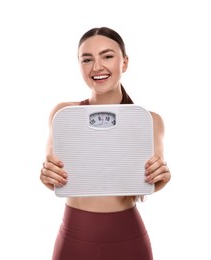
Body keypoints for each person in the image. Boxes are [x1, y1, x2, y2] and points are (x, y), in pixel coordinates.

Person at [40, 26, 171, 260]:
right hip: (74, 237)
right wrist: (48, 175)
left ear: (125, 62)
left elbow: (152, 180)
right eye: (87, 59)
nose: (97, 67)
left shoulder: (149, 120)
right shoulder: (64, 114)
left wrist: (160, 175)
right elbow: (54, 175)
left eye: (107, 56)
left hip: (129, 239)